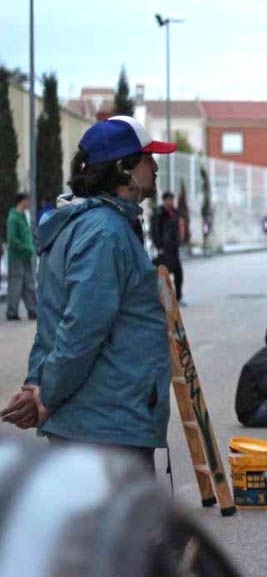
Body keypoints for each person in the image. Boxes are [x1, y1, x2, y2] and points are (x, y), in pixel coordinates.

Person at [0, 115, 178, 473]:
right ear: (122, 167)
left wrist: (37, 384)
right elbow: (80, 328)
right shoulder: (105, 233)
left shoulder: (87, 224)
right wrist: (45, 397)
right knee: (124, 529)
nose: (155, 167)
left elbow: (53, 319)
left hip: (95, 421)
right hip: (107, 426)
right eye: (147, 158)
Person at [5, 193, 37, 321]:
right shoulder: (13, 218)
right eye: (27, 201)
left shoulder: (23, 217)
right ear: (21, 202)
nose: (29, 203)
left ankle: (32, 310)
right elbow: (12, 239)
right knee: (16, 284)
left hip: (26, 256)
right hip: (17, 256)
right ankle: (11, 311)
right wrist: (25, 248)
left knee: (29, 284)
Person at [153, 191, 185, 305]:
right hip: (164, 248)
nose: (171, 202)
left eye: (172, 199)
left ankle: (179, 297)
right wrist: (158, 245)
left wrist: (180, 241)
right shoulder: (159, 213)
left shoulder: (175, 212)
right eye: (168, 199)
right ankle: (165, 299)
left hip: (174, 248)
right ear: (164, 200)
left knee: (178, 273)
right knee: (163, 273)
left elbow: (179, 228)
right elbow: (155, 230)